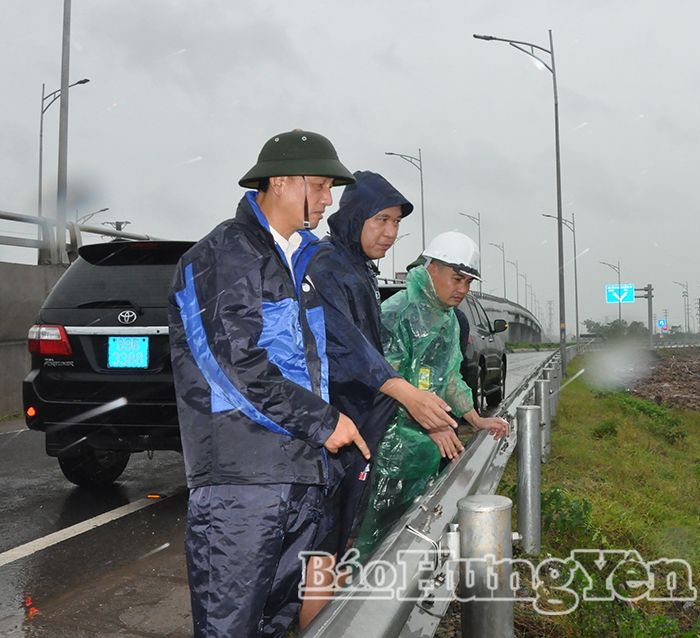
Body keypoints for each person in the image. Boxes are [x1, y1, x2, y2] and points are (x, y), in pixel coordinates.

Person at [168, 129, 370, 638]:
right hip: (242, 483)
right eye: (321, 186)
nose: (328, 200)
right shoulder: (225, 254)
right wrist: (324, 422)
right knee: (230, 625)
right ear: (281, 182)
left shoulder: (297, 262)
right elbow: (232, 365)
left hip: (297, 474)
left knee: (276, 621)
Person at [298, 172, 461, 628]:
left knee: (339, 537)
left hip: (357, 424)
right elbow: (343, 343)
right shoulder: (328, 266)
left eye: (396, 224)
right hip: (333, 425)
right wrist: (404, 392)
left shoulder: (356, 268)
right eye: (382, 220)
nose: (390, 233)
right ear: (354, 217)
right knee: (325, 545)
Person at [351, 231, 509, 556]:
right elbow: (387, 384)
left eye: (469, 282)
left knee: (408, 531)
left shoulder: (448, 319)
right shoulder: (398, 313)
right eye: (457, 279)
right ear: (432, 267)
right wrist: (431, 424)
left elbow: (448, 377)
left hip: (419, 449)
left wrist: (476, 418)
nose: (463, 289)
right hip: (385, 447)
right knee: (371, 538)